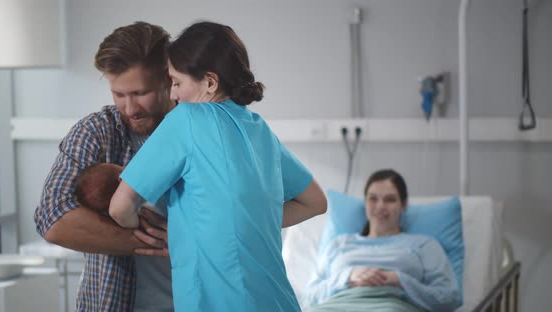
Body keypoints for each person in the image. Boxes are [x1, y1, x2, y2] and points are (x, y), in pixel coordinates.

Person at [109, 21, 328, 312]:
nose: (173, 94)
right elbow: (315, 202)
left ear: (209, 83)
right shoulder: (259, 129)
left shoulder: (186, 119)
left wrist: (155, 230)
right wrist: (248, 220)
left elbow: (120, 207)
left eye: (177, 82)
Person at [34, 21, 175, 311]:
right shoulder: (96, 132)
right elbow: (53, 220)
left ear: (168, 78)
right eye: (119, 95)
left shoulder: (201, 132)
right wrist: (164, 243)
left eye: (140, 93)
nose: (130, 108)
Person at [304, 169, 461, 312]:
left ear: (404, 205)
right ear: (365, 203)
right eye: (373, 199)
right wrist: (347, 276)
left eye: (390, 199)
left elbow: (449, 298)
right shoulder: (339, 244)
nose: (380, 206)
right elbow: (309, 297)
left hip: (391, 306)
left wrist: (400, 280)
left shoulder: (423, 245)